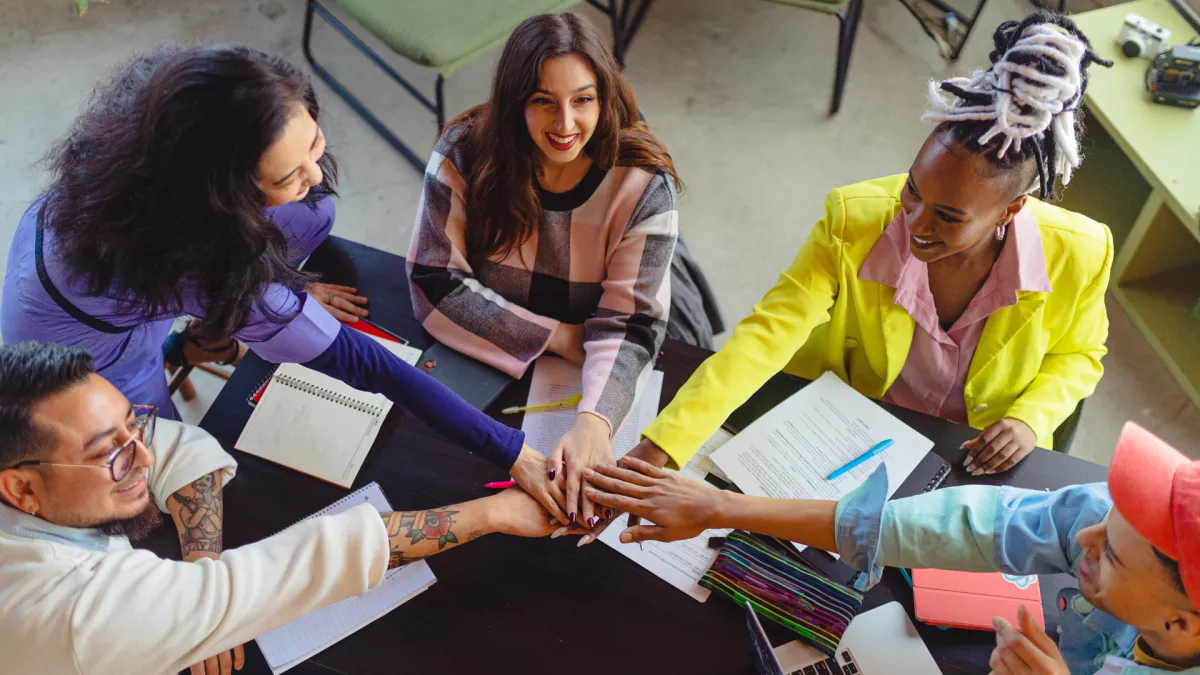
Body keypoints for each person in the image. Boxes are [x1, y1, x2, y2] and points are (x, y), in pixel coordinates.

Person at [0, 44, 566, 522]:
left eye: (312, 144)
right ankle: (186, 359)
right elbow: (365, 364)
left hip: (91, 267)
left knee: (312, 213)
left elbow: (292, 212)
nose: (314, 174)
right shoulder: (198, 261)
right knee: (161, 480)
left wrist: (275, 297)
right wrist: (513, 451)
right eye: (286, 174)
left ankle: (208, 330)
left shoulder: (160, 121)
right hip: (89, 360)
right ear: (222, 200)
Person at [614, 13, 1115, 496]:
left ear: (1011, 211)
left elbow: (1079, 354)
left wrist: (1031, 418)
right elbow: (766, 335)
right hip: (847, 435)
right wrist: (666, 443)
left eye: (948, 216)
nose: (915, 223)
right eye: (913, 189)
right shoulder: (852, 219)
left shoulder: (1080, 254)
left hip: (972, 462)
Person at [0, 341, 568, 675]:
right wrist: (492, 514)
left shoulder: (38, 484)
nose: (143, 455)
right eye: (112, 455)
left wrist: (201, 574)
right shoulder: (71, 613)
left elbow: (180, 446)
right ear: (20, 490)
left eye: (134, 425)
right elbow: (293, 567)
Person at [407, 12, 720, 529]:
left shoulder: (643, 182)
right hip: (525, 345)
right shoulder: (464, 152)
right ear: (514, 103)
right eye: (542, 101)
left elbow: (631, 325)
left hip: (616, 324)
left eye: (583, 100)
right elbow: (433, 285)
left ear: (604, 96)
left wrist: (595, 424)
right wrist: (558, 337)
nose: (565, 125)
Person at [585, 422, 1200, 675]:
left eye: (1108, 556)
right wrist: (720, 508)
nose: (1082, 540)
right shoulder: (1109, 519)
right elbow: (961, 526)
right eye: (1105, 522)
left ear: (1180, 621)